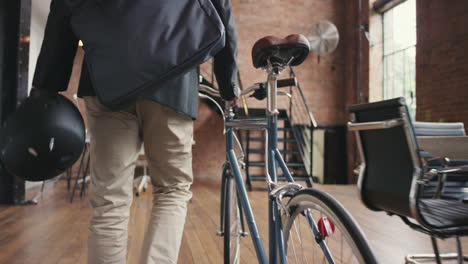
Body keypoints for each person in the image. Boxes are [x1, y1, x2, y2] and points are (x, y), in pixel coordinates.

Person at [32, 0, 239, 263]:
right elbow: (221, 9)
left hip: (107, 81)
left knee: (109, 199)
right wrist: (228, 84)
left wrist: (46, 87)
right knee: (172, 189)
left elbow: (62, 12)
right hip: (173, 78)